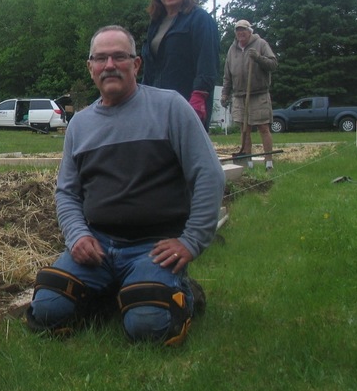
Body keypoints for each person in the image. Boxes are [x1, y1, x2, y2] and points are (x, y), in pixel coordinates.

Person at [26, 25, 226, 345]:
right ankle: (126, 294)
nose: (109, 65)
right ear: (90, 67)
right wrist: (77, 236)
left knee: (148, 328)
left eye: (119, 56)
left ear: (136, 65)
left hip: (155, 246)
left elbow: (209, 175)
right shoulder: (80, 125)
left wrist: (191, 241)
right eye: (100, 58)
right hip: (99, 246)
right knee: (47, 311)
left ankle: (181, 294)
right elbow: (67, 192)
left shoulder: (170, 108)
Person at [140, 0, 220, 130]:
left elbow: (207, 63)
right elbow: (150, 68)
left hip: (187, 103)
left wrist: (199, 97)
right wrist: (141, 98)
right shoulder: (155, 24)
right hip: (156, 105)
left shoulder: (200, 19)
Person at [221, 19, 278, 170]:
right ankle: (248, 161)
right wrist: (224, 94)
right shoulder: (232, 50)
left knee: (263, 128)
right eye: (238, 30)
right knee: (244, 129)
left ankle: (269, 162)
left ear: (249, 32)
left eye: (243, 30)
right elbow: (227, 76)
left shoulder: (261, 44)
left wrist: (258, 58)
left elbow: (273, 64)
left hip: (258, 94)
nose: (240, 33)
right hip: (239, 95)